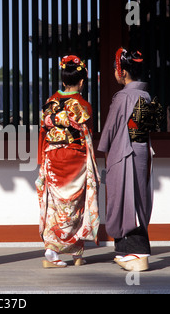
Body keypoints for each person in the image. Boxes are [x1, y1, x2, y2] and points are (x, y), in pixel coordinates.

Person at [98, 48, 162, 272]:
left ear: (122, 72)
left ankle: (134, 253)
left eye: (116, 69)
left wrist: (106, 153)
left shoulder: (123, 96)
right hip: (142, 153)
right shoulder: (146, 95)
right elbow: (148, 131)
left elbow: (109, 132)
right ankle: (134, 251)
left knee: (125, 200)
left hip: (123, 155)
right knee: (138, 199)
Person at [36, 55, 100, 268]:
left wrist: (41, 159)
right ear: (82, 82)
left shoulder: (50, 103)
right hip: (76, 158)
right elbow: (88, 136)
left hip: (53, 157)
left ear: (63, 80)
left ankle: (51, 250)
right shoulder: (84, 106)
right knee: (76, 205)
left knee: (54, 205)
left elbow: (43, 133)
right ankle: (76, 253)